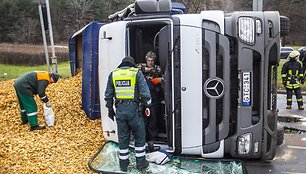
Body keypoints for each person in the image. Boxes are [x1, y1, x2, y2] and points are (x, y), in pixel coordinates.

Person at [104, 56, 151, 172]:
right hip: (134, 110)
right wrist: (149, 105)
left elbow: (108, 95)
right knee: (139, 136)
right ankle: (141, 163)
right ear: (132, 64)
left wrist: (110, 109)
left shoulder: (113, 74)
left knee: (123, 137)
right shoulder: (136, 73)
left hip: (120, 110)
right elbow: (145, 93)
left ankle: (123, 164)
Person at [141, 51, 164, 145]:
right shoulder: (141, 67)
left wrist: (158, 80)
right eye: (148, 60)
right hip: (143, 97)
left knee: (153, 117)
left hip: (154, 96)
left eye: (152, 60)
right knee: (143, 118)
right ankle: (143, 137)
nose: (150, 62)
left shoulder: (158, 69)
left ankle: (152, 138)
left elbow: (165, 78)